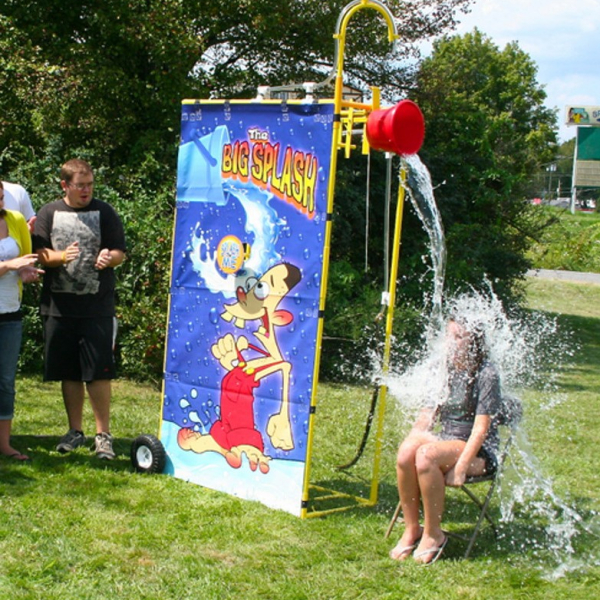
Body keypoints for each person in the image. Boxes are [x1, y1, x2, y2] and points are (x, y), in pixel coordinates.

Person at [33, 159, 126, 460]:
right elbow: (41, 254)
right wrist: (61, 256)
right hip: (58, 308)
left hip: (97, 306)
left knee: (98, 373)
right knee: (69, 372)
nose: (86, 191)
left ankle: (103, 436)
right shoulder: (48, 212)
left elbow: (120, 251)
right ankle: (75, 432)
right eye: (80, 185)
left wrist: (108, 259)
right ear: (65, 185)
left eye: (90, 185)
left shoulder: (106, 211)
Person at [390, 317, 501, 565]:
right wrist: (413, 439)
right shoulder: (442, 368)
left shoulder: (486, 374)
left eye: (459, 337)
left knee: (426, 455)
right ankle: (412, 528)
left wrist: (461, 467)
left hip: (479, 451)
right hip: (446, 442)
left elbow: (481, 429)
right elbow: (427, 416)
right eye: (449, 336)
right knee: (408, 451)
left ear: (475, 342)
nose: (451, 342)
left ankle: (433, 534)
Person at [0, 181, 43, 461]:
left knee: (5, 382)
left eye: (1, 196)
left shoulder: (14, 219)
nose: (1, 202)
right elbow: (12, 264)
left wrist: (26, 271)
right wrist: (8, 266)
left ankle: (4, 443)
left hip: (9, 313)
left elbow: (26, 259)